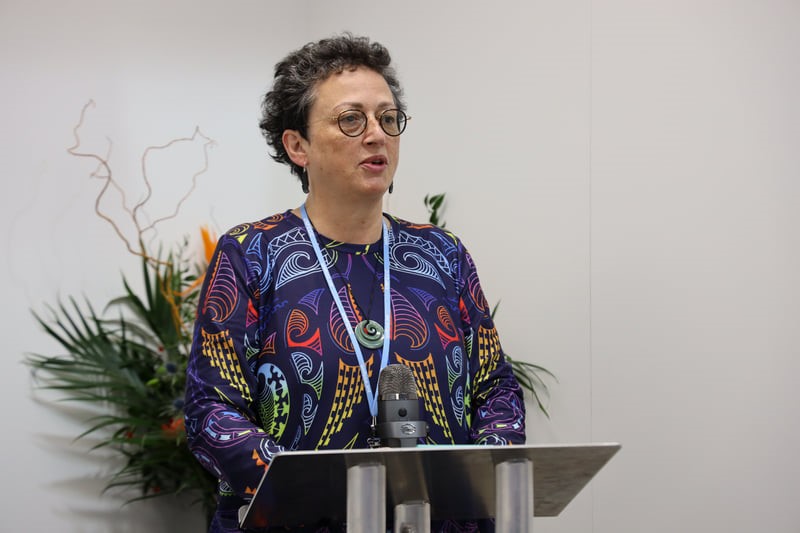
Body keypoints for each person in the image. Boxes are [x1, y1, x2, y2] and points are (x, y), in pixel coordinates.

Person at [184, 33, 526, 533]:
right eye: (351, 119)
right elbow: (211, 411)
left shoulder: (441, 254)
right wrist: (310, 488)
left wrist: (475, 475)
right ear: (297, 145)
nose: (376, 134)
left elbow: (495, 387)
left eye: (388, 118)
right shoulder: (251, 254)